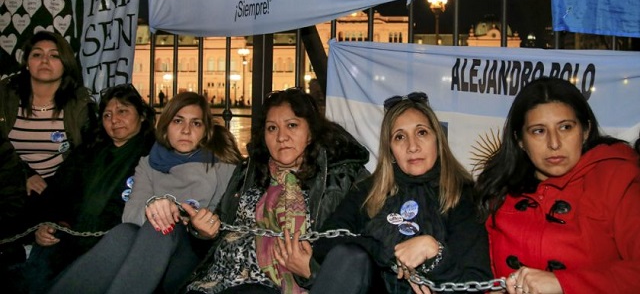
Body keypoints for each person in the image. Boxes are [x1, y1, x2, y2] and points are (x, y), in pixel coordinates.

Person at [48, 92, 243, 294]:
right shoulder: (149, 164)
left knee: (163, 227)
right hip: (147, 256)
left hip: (193, 259)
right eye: (178, 121)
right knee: (124, 233)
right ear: (166, 126)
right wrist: (155, 207)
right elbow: (130, 216)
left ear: (205, 131)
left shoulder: (223, 167)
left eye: (196, 123)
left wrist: (202, 228)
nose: (186, 130)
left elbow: (232, 228)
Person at [184, 87, 371, 294]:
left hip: (272, 286)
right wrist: (202, 232)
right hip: (215, 281)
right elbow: (215, 237)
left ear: (311, 132)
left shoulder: (342, 177)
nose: (282, 137)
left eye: (292, 125)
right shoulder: (249, 171)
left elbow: (359, 254)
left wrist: (312, 272)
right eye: (272, 128)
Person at [312, 92, 492, 294]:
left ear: (438, 140)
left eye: (421, 133)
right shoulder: (369, 190)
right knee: (350, 256)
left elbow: (475, 282)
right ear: (390, 149)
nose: (412, 146)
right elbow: (324, 242)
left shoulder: (462, 195)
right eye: (400, 137)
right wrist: (386, 251)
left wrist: (434, 254)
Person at [475, 77, 640, 294]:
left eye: (565, 127)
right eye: (538, 131)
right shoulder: (497, 191)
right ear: (520, 140)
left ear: (585, 131)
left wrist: (563, 284)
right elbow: (477, 273)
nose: (554, 143)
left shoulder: (617, 180)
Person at [20, 83, 157, 293]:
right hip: (67, 237)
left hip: (115, 244)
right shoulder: (87, 151)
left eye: (122, 111)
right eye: (107, 115)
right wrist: (43, 225)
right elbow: (56, 194)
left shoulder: (155, 156)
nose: (114, 120)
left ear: (142, 116)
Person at [0, 31, 96, 268]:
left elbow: (86, 156)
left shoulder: (79, 103)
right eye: (37, 54)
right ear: (27, 62)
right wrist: (24, 175)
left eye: (54, 55)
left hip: (56, 189)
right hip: (7, 185)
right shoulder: (5, 96)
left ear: (65, 64)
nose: (45, 60)